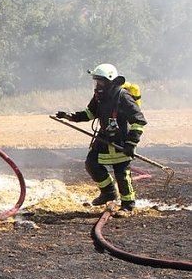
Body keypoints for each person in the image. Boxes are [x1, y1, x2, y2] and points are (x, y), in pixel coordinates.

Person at [56, 63, 146, 213]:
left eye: (100, 81)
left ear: (111, 81)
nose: (97, 85)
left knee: (122, 174)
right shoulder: (99, 96)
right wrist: (70, 117)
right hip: (103, 139)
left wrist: (131, 143)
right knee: (92, 164)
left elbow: (138, 121)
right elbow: (90, 113)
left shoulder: (123, 96)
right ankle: (108, 192)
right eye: (96, 81)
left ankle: (127, 205)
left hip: (121, 141)